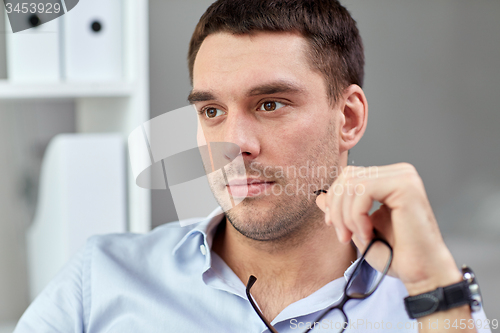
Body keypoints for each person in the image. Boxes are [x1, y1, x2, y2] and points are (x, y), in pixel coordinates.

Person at [15, 0, 491, 332]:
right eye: (211, 111)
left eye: (270, 105)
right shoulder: (100, 279)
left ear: (348, 118)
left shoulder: (431, 307)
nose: (233, 144)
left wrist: (433, 287)